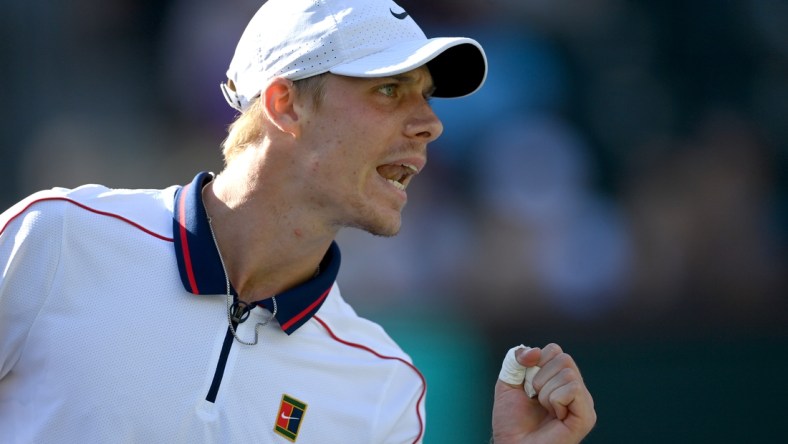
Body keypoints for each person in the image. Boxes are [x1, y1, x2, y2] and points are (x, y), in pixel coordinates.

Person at [0, 0, 595, 442]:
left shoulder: (384, 388)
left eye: (427, 97)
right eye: (390, 91)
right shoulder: (54, 239)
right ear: (284, 103)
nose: (430, 125)